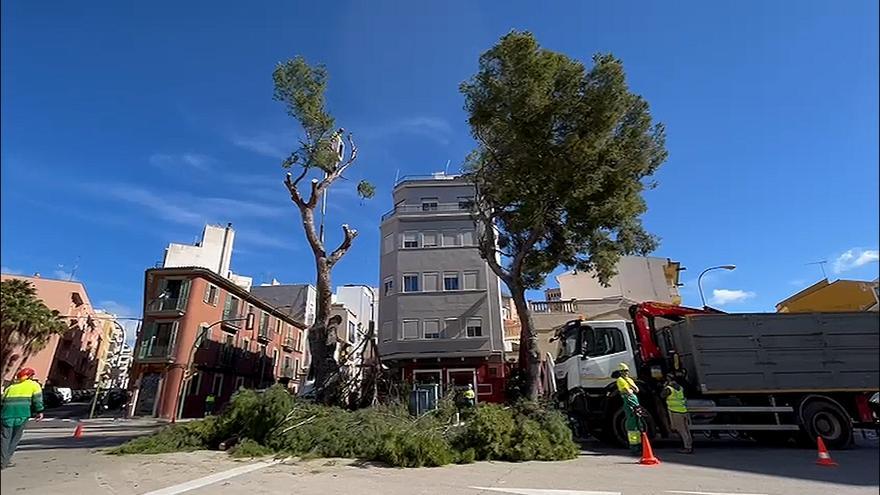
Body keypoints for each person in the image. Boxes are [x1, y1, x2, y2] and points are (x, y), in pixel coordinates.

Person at [1, 368, 44, 469]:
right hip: (22, 414)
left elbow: (2, 401)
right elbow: (37, 400)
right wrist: (39, 411)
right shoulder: (34, 385)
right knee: (14, 439)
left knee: (4, 439)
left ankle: (2, 460)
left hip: (6, 415)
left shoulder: (11, 387)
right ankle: (5, 461)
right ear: (31, 376)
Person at [661, 374, 693, 454]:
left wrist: (664, 386)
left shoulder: (669, 389)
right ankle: (689, 445)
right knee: (686, 430)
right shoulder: (680, 388)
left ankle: (687, 447)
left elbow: (662, 395)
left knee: (681, 430)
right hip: (683, 410)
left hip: (675, 411)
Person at [615, 362, 642, 455]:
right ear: (620, 372)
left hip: (635, 403)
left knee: (638, 424)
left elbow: (636, 389)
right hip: (629, 403)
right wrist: (631, 389)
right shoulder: (620, 380)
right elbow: (628, 391)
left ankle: (639, 445)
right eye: (624, 371)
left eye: (626, 371)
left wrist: (631, 388)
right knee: (631, 426)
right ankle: (634, 447)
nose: (626, 373)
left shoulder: (629, 379)